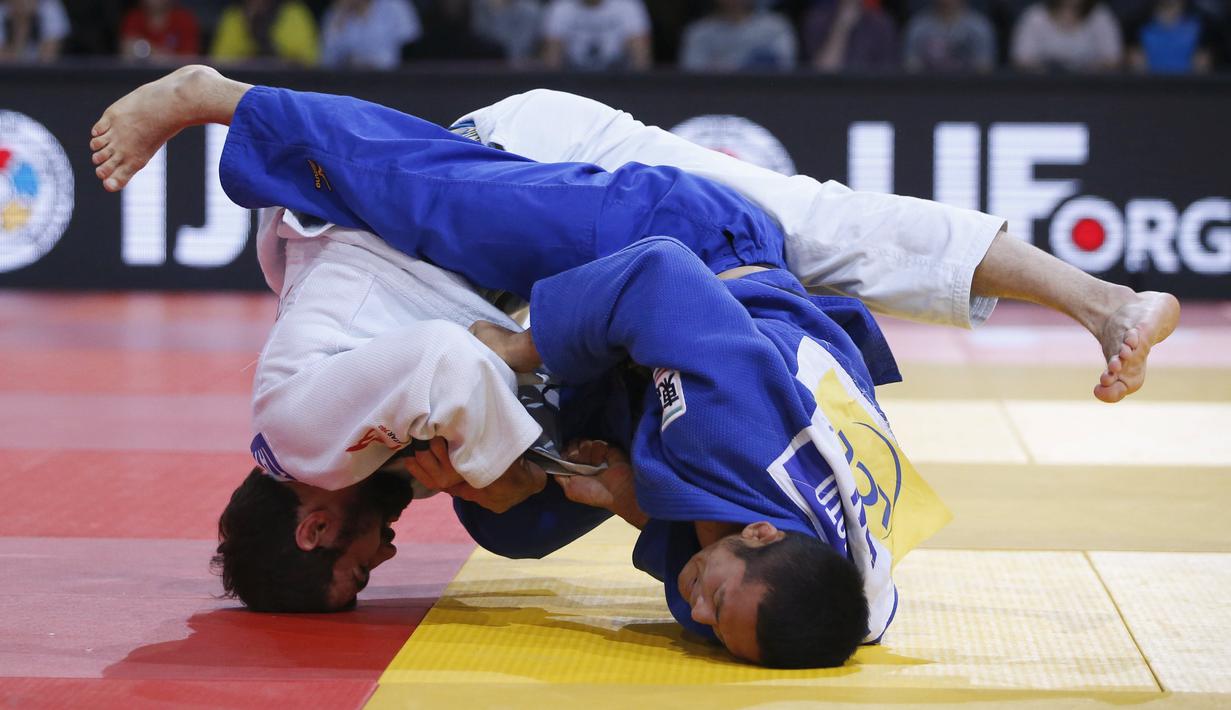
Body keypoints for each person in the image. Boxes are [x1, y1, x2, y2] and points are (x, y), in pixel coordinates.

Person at [88, 68, 1179, 665]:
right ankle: (1104, 302)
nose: (384, 556)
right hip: (602, 265)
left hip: (545, 204)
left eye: (355, 567)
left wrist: (520, 430)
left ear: (313, 523)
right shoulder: (813, 549)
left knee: (439, 191)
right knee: (814, 225)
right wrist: (551, 475)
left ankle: (209, 96)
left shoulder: (300, 428)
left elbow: (448, 349)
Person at [679, 0, 798, 71]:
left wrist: (738, 68)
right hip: (714, 97)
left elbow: (784, 64)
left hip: (765, 95)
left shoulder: (776, 26)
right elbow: (691, 71)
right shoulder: (699, 31)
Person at [1010, 0, 1123, 71]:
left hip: (1092, 90)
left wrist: (1086, 71)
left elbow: (1113, 59)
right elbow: (1021, 59)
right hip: (1042, 90)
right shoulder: (1035, 17)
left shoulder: (1100, 16)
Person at [540, 0, 652, 71]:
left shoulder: (627, 5)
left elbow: (641, 57)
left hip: (618, 79)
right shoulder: (561, 7)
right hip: (573, 80)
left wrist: (639, 87)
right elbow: (552, 60)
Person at [210, 0, 319, 66]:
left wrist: (263, 39)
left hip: (287, 87)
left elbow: (307, 63)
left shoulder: (294, 13)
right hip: (242, 87)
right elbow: (221, 63)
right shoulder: (234, 15)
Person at [803, 0, 899, 72]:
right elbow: (822, 73)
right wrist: (842, 27)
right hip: (831, 94)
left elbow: (888, 77)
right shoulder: (817, 21)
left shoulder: (882, 25)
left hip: (871, 94)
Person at [320, 0, 420, 69]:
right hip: (350, 81)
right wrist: (339, 18)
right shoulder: (336, 13)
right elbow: (326, 60)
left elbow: (411, 46)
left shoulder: (395, 6)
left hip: (392, 78)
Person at [902, 0, 998, 71]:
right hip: (927, 90)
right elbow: (911, 67)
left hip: (968, 91)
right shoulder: (918, 26)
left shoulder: (979, 26)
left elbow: (984, 69)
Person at [1126, 0, 1214, 73]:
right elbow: (1136, 66)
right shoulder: (1136, 23)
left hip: (1190, 90)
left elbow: (1202, 67)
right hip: (1148, 90)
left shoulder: (1203, 23)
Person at [119, 0, 201, 61]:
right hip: (140, 77)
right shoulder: (134, 18)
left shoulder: (184, 19)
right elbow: (126, 52)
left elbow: (188, 61)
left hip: (175, 78)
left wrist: (148, 49)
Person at [0, 0, 69, 63]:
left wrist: (27, 20)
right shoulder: (2, 10)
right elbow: (4, 61)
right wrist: (21, 24)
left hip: (42, 74)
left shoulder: (50, 6)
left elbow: (47, 57)